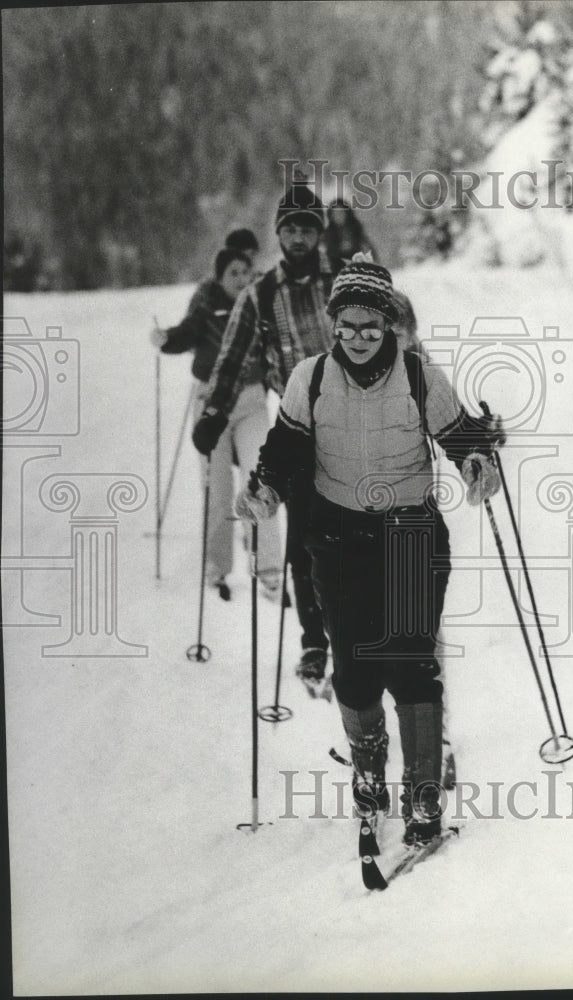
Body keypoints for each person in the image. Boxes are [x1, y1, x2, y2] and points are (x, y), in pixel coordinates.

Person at [234, 254, 505, 845]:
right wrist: (264, 491)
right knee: (353, 669)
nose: (359, 338)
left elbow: (462, 439)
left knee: (411, 661)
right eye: (348, 326)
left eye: (371, 326)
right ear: (335, 326)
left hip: (410, 536)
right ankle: (368, 769)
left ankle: (424, 794)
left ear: (389, 325)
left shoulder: (419, 376)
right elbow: (283, 451)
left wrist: (479, 463)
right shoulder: (309, 378)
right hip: (338, 539)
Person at [192, 180, 342, 683]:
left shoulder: (343, 279)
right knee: (302, 541)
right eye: (290, 228)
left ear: (319, 233)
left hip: (355, 423)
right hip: (297, 428)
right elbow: (233, 357)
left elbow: (392, 339)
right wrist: (214, 414)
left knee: (360, 535)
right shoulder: (261, 293)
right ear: (279, 233)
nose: (299, 237)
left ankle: (364, 635)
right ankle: (314, 643)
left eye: (307, 227)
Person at [151, 241, 282, 602]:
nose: (240, 279)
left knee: (262, 481)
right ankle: (217, 566)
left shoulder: (260, 303)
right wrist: (166, 339)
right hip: (211, 403)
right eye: (232, 273)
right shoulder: (207, 306)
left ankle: (270, 571)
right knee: (218, 489)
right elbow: (185, 335)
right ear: (219, 277)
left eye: (245, 271)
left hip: (253, 400)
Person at [323, 199, 377, 266]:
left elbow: (368, 252)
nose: (338, 216)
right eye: (335, 213)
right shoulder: (328, 234)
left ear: (347, 213)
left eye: (341, 212)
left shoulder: (356, 230)